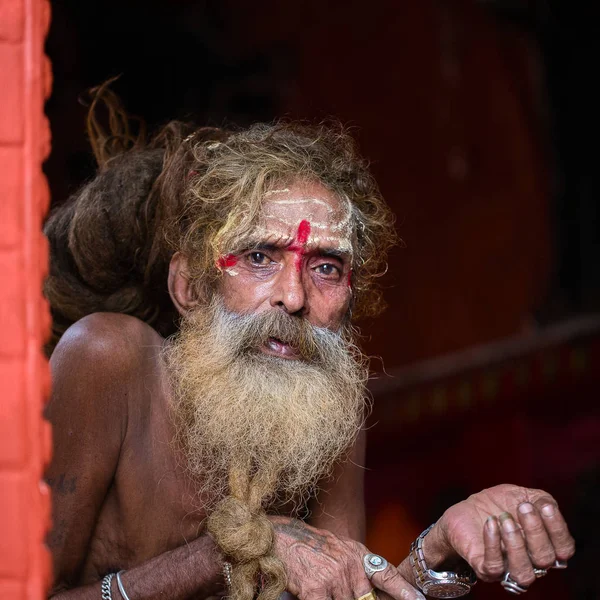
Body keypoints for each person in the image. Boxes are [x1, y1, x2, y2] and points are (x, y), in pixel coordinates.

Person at [43, 87, 574, 600]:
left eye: (325, 267)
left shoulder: (325, 402)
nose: (294, 297)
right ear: (190, 287)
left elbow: (347, 595)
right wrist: (228, 553)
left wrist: (437, 553)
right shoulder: (109, 357)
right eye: (258, 258)